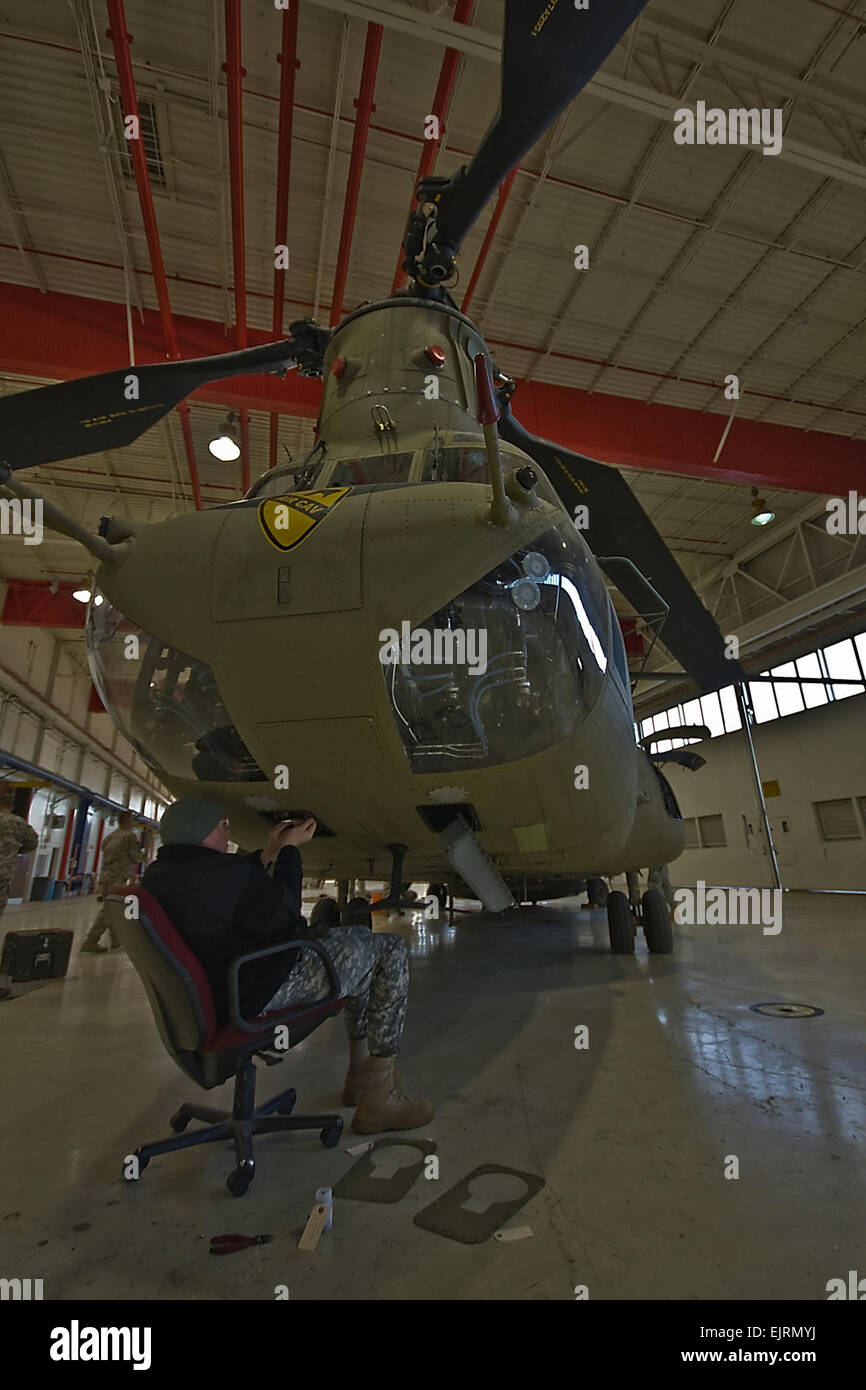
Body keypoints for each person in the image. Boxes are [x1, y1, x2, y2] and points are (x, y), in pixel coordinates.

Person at [140, 797, 432, 1134]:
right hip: (261, 987)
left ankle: (359, 1077)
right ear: (203, 832)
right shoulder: (217, 876)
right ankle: (379, 1097)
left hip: (221, 992)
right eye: (223, 825)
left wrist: (268, 852)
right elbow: (284, 912)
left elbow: (232, 893)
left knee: (358, 948)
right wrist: (291, 852)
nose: (227, 830)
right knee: (388, 951)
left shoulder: (164, 875)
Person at [81, 811, 142, 953]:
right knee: (110, 909)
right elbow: (135, 857)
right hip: (118, 876)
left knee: (112, 905)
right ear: (128, 821)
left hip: (106, 876)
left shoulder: (110, 836)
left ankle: (116, 939)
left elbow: (104, 851)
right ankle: (91, 940)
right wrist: (142, 855)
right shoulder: (129, 836)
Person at [0, 785, 38, 921]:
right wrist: (15, 850)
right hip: (3, 873)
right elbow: (33, 842)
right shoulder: (19, 824)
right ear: (11, 806)